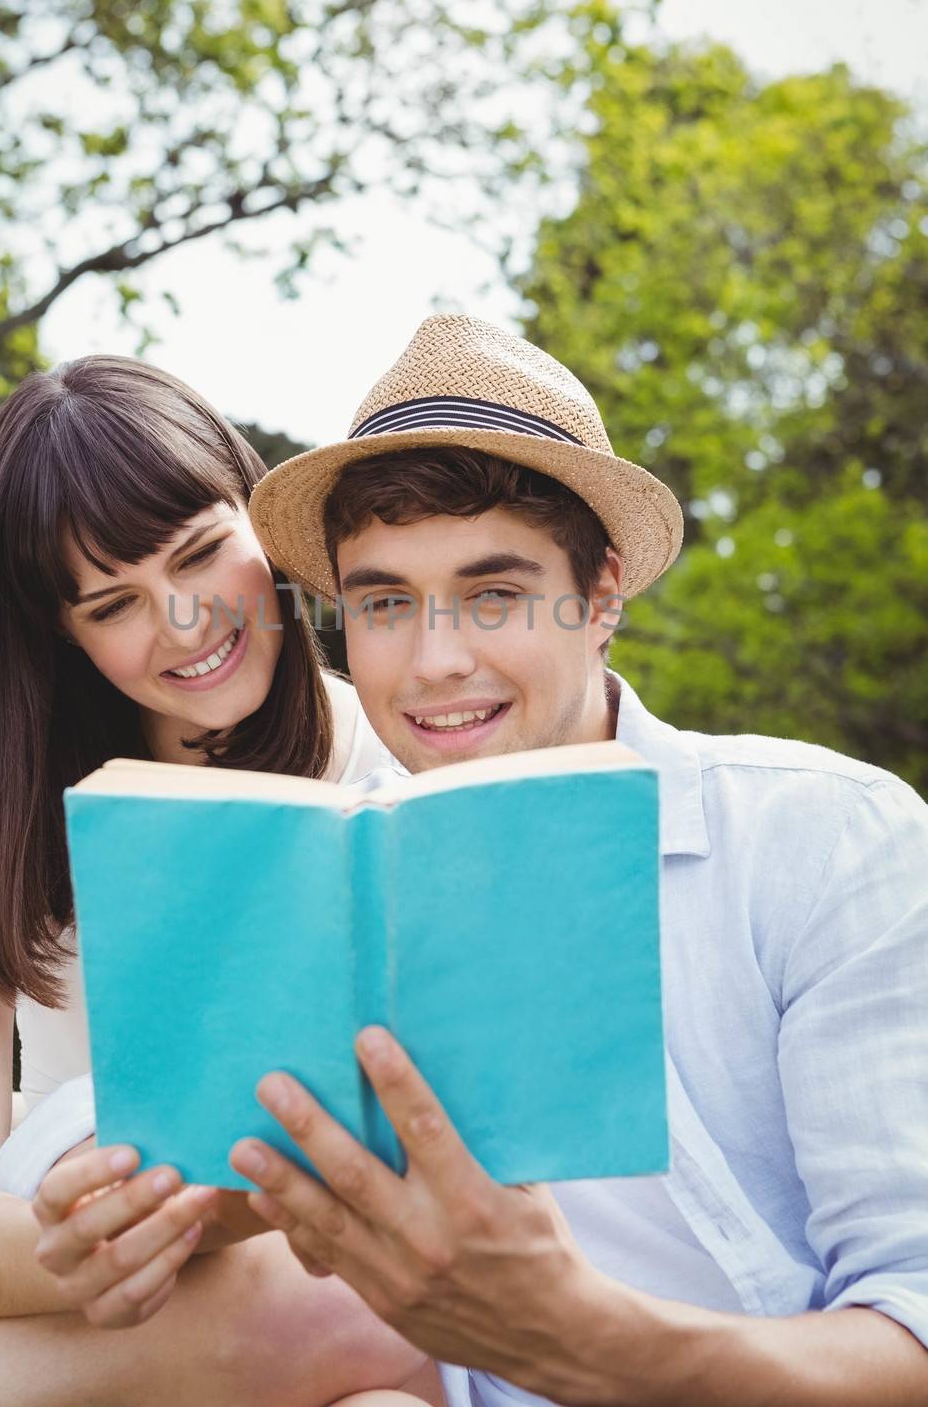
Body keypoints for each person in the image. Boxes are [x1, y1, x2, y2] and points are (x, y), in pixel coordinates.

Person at [215, 312, 928, 1406]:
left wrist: (577, 1336)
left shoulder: (825, 841)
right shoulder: (333, 875)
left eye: (493, 594)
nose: (433, 662)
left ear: (600, 596)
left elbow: (910, 1335)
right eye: (384, 604)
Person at [0, 355, 442, 1405]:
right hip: (76, 1271)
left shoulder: (409, 764)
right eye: (114, 603)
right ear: (62, 633)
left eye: (202, 554)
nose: (183, 625)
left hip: (362, 1287)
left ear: (258, 517)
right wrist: (88, 1244)